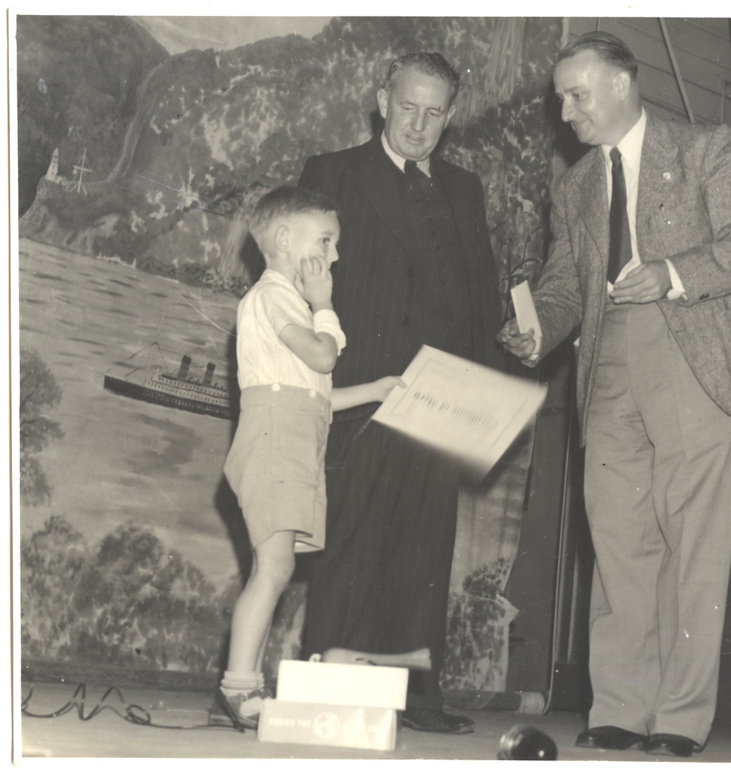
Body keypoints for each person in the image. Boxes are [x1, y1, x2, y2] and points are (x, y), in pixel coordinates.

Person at [499, 32, 731, 757]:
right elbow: (565, 284)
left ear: (620, 85)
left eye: (576, 93)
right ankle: (620, 705)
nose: (564, 111)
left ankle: (681, 717)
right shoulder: (575, 182)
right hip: (607, 365)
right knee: (618, 540)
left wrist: (671, 272)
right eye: (560, 95)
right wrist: (539, 330)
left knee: (693, 545)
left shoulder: (702, 147)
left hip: (689, 350)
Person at [297, 52, 503, 735]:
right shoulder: (331, 173)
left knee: (423, 547)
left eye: (434, 113)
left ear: (450, 114)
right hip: (362, 389)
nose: (418, 126)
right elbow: (298, 287)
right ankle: (329, 692)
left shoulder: (465, 189)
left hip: (442, 394)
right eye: (407, 108)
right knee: (351, 541)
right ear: (382, 100)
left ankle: (416, 696)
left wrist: (485, 385)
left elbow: (477, 293)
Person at [215, 185, 402, 730]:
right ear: (282, 239)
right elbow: (322, 357)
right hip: (276, 440)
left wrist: (374, 390)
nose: (335, 256)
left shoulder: (286, 304)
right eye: (326, 241)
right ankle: (239, 686)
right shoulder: (273, 297)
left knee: (275, 566)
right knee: (271, 567)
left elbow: (317, 395)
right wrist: (325, 304)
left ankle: (244, 681)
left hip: (293, 434)